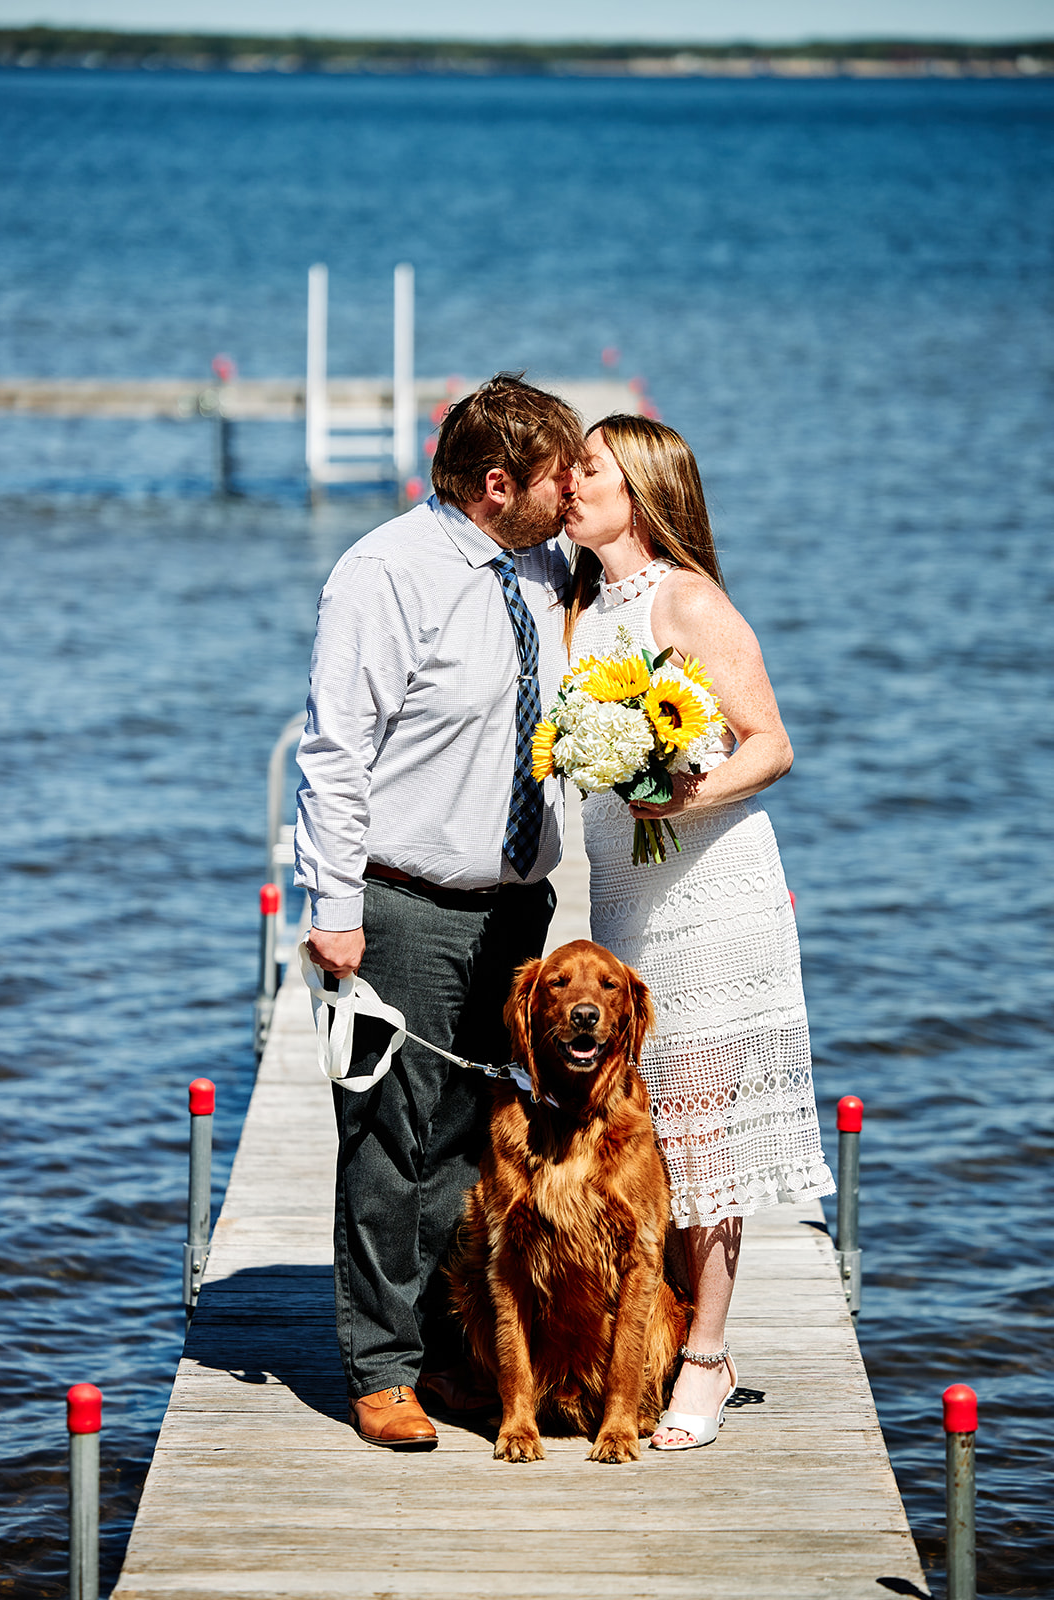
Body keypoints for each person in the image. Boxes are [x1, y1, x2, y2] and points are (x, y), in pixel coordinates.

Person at [295, 374, 585, 1450]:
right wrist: (331, 907)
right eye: (560, 475)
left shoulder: (550, 564)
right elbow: (332, 754)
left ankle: (449, 1342)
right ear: (498, 484)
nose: (571, 493)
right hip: (403, 902)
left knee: (476, 1135)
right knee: (390, 1138)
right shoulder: (383, 572)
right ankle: (380, 1367)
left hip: (517, 906)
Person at [563, 414, 834, 1451]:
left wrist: (678, 801)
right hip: (625, 903)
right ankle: (660, 1329)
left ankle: (706, 1359)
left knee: (701, 1131)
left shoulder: (688, 599)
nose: (569, 482)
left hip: (714, 893)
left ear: (637, 489)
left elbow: (771, 745)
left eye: (586, 468)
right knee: (646, 1126)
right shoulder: (581, 606)